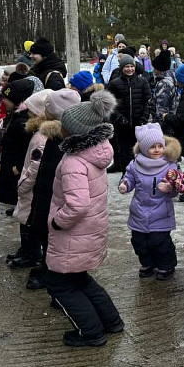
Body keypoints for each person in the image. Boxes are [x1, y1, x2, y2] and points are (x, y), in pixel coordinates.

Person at [46, 88, 124, 347]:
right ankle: (111, 321)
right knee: (79, 278)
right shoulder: (97, 151)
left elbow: (77, 205)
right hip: (90, 230)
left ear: (75, 132)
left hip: (73, 233)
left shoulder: (73, 162)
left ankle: (90, 332)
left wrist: (58, 220)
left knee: (60, 284)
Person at [24, 88, 82, 290]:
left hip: (55, 202)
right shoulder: (54, 137)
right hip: (49, 197)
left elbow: (52, 177)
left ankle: (56, 277)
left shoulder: (59, 140)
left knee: (54, 241)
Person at [119, 123, 181, 280]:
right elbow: (130, 178)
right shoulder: (135, 164)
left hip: (160, 211)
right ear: (144, 149)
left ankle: (166, 265)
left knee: (160, 242)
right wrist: (125, 184)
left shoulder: (169, 165)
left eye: (160, 146)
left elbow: (178, 185)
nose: (157, 150)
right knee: (139, 241)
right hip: (139, 210)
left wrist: (170, 187)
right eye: (152, 147)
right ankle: (147, 262)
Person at [6, 90, 51, 269]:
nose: (28, 112)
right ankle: (29, 251)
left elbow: (35, 166)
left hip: (31, 187)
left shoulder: (41, 137)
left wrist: (22, 184)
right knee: (27, 220)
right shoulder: (37, 131)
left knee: (31, 221)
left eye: (31, 110)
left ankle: (33, 255)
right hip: (31, 186)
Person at [107, 54, 152, 172]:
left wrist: (144, 118)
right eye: (127, 66)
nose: (130, 69)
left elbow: (148, 102)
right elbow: (110, 105)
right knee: (124, 151)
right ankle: (125, 173)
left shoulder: (142, 82)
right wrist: (119, 118)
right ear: (122, 68)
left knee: (139, 150)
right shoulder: (115, 84)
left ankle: (139, 173)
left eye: (132, 66)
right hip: (122, 124)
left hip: (139, 123)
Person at [0, 79, 35, 210]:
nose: (3, 101)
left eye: (6, 98)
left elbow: (27, 147)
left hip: (16, 168)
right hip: (11, 164)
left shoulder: (22, 122)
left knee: (19, 194)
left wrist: (17, 167)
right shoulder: (16, 116)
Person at [150, 50, 177, 123]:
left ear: (159, 69)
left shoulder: (164, 84)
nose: (153, 70)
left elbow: (161, 110)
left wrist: (156, 126)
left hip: (164, 125)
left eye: (155, 68)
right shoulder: (169, 77)